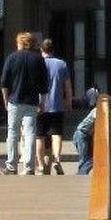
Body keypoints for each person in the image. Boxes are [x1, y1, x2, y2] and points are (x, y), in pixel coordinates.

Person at [0, 31, 48, 177]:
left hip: (14, 100)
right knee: (30, 133)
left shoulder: (11, 58)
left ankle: (11, 165)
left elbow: (4, 82)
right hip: (32, 101)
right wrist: (42, 102)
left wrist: (5, 100)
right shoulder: (38, 59)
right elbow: (44, 84)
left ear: (21, 42)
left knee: (12, 133)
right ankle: (29, 166)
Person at [35, 37, 73, 175]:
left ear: (42, 49)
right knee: (56, 134)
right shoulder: (61, 64)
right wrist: (68, 102)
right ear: (53, 50)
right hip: (57, 105)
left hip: (40, 105)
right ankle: (57, 159)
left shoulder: (38, 63)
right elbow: (67, 86)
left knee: (40, 136)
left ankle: (40, 164)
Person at [71, 87, 100, 175]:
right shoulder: (97, 111)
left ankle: (82, 173)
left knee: (89, 158)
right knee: (84, 157)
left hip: (85, 135)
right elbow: (99, 122)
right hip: (81, 135)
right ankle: (81, 175)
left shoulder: (98, 110)